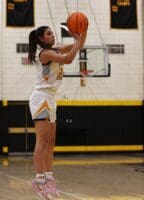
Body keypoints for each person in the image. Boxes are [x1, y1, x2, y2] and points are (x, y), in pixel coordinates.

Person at [28, 25, 87, 199]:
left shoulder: (55, 49)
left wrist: (83, 31)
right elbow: (68, 59)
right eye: (48, 34)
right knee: (42, 141)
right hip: (41, 97)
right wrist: (76, 43)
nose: (52, 35)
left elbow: (80, 45)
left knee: (51, 141)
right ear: (41, 39)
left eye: (52, 33)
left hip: (51, 98)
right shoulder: (45, 54)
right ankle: (38, 180)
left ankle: (48, 178)